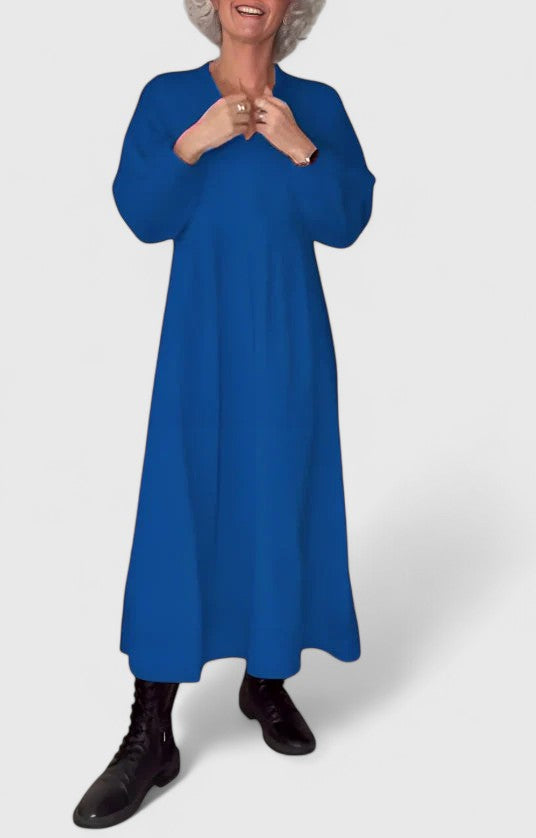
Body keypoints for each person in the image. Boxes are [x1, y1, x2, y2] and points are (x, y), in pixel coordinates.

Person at [73, 0, 375, 827]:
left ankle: (264, 679)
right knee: (182, 513)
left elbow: (346, 221)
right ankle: (150, 734)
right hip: (200, 343)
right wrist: (193, 143)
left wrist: (301, 147)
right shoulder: (168, 98)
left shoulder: (318, 107)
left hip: (288, 344)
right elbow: (143, 215)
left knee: (278, 503)